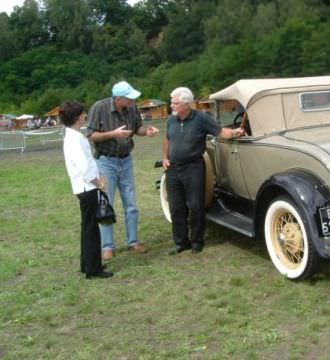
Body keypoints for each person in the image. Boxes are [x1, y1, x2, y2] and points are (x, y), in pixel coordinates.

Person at [162, 87, 245, 255]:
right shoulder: (171, 120)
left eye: (175, 103)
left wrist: (236, 132)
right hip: (173, 169)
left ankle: (197, 241)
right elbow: (167, 139)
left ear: (186, 104)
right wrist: (165, 157)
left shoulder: (201, 118)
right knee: (176, 207)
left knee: (196, 205)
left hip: (193, 167)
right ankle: (181, 243)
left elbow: (221, 132)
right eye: (172, 102)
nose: (172, 105)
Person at [87, 81, 159, 260]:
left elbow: (138, 129)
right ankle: (108, 246)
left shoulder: (132, 109)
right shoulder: (99, 108)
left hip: (126, 160)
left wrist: (147, 131)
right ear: (118, 99)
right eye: (129, 98)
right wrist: (113, 134)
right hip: (106, 161)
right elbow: (91, 136)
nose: (133, 101)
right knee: (106, 204)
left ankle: (133, 242)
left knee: (131, 204)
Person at [60, 101, 113, 279]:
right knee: (90, 227)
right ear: (76, 117)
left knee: (88, 226)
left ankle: (88, 264)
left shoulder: (74, 135)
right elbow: (83, 165)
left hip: (85, 185)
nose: (85, 116)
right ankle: (93, 269)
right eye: (83, 113)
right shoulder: (74, 138)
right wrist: (98, 181)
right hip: (86, 186)